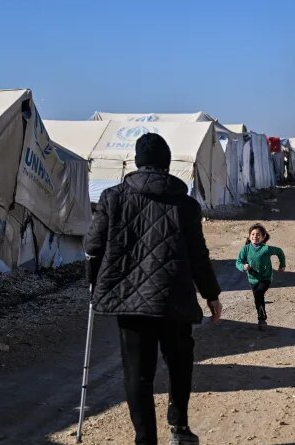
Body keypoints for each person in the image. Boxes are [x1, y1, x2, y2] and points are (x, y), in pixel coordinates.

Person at [84, 133, 222, 445]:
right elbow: (198, 254)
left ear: (136, 161)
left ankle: (145, 439)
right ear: (167, 162)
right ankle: (179, 427)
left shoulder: (112, 197)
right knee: (180, 360)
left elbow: (92, 246)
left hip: (129, 299)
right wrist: (211, 294)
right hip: (174, 297)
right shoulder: (186, 204)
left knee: (138, 373)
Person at [235, 223, 286, 331]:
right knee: (258, 298)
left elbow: (280, 252)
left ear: (263, 237)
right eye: (253, 234)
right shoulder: (246, 249)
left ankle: (261, 319)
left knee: (259, 294)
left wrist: (282, 265)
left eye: (258, 234)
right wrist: (243, 267)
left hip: (265, 278)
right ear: (249, 236)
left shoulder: (266, 249)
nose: (255, 236)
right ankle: (261, 317)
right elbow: (238, 262)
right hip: (252, 279)